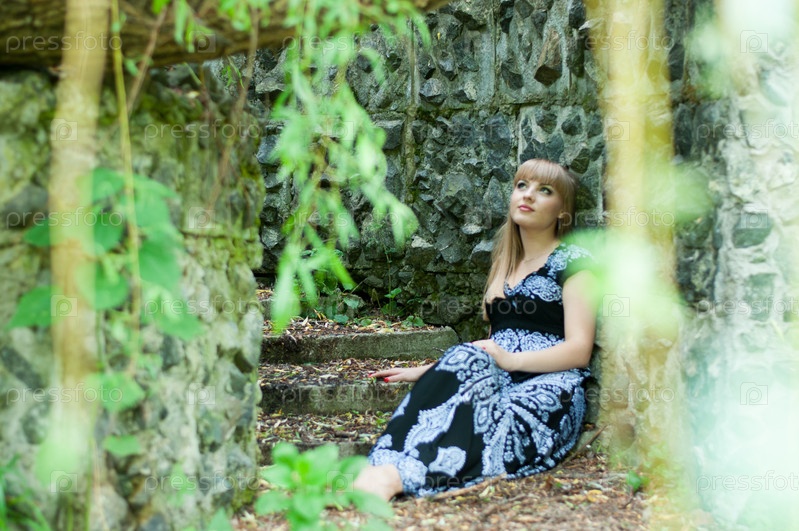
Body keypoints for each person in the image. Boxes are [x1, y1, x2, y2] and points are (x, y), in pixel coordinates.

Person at [353, 159, 597, 500]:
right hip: (500, 374)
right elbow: (491, 345)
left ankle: (398, 478)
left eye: (545, 190)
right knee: (463, 369)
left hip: (550, 386)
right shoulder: (505, 262)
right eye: (522, 186)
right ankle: (383, 466)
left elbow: (580, 349)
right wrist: (431, 370)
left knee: (487, 424)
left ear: (562, 211)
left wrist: (511, 360)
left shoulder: (575, 261)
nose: (528, 195)